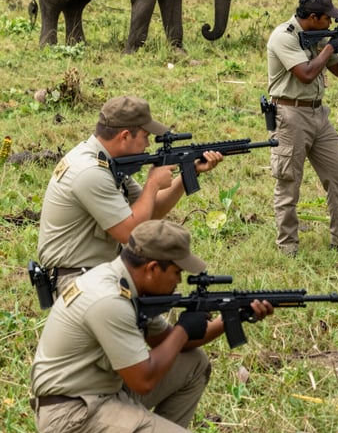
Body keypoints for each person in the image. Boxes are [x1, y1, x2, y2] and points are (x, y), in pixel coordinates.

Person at [29, 219, 274, 433]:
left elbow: (169, 342)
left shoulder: (123, 283)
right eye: (177, 272)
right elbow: (144, 379)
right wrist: (183, 330)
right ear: (153, 268)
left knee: (194, 364)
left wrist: (234, 316)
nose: (180, 281)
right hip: (73, 417)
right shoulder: (109, 301)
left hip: (100, 395)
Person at [37, 95, 223, 297]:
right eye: (145, 136)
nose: (148, 144)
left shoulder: (107, 162)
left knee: (160, 294)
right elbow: (130, 233)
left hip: (96, 271)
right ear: (125, 136)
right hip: (75, 280)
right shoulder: (90, 172)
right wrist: (152, 183)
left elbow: (151, 211)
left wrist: (190, 172)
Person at [266, 0, 338, 256]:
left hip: (318, 115)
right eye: (327, 19)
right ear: (313, 18)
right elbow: (305, 74)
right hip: (290, 115)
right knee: (288, 181)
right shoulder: (284, 37)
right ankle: (288, 247)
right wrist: (330, 46)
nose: (330, 24)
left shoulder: (317, 39)